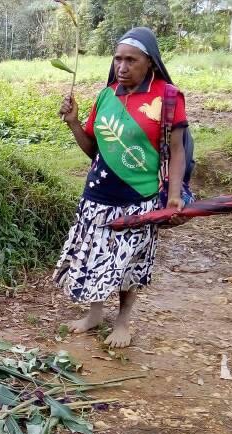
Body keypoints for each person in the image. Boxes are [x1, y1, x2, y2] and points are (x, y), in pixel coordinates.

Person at [55, 27, 189, 348]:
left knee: (129, 263)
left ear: (151, 63)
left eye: (132, 60)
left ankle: (123, 321)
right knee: (95, 258)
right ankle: (94, 314)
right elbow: (94, 151)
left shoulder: (167, 97)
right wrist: (74, 122)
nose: (122, 67)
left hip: (139, 198)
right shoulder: (106, 96)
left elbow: (178, 149)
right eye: (118, 59)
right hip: (98, 196)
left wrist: (172, 197)